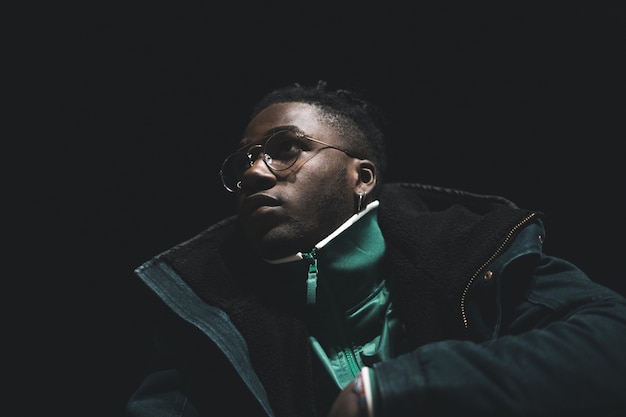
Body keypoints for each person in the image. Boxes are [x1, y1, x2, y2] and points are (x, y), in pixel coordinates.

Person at [125, 80, 626, 417]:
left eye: (285, 149)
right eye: (245, 163)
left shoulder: (473, 252)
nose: (254, 173)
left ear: (361, 177)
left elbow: (611, 342)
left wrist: (392, 391)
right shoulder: (205, 314)